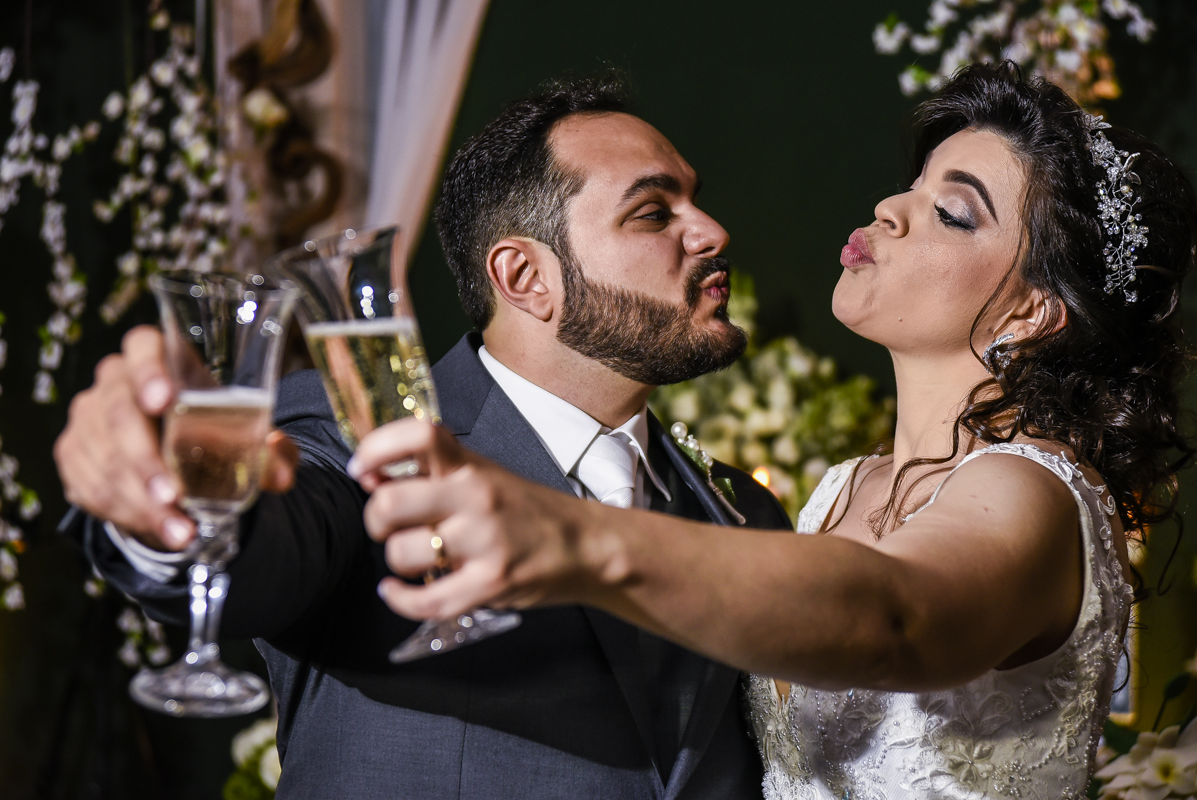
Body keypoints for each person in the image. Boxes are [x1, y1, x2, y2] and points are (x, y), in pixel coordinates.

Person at [347, 62, 1197, 799]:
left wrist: (574, 538)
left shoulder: (1033, 490)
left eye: (954, 213)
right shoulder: (829, 493)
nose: (891, 210)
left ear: (1037, 309)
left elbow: (893, 618)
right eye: (915, 184)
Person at [54, 75, 795, 799]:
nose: (712, 231)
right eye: (653, 213)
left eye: (693, 199)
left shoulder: (745, 515)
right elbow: (268, 548)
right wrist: (167, 504)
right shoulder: (357, 436)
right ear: (525, 276)